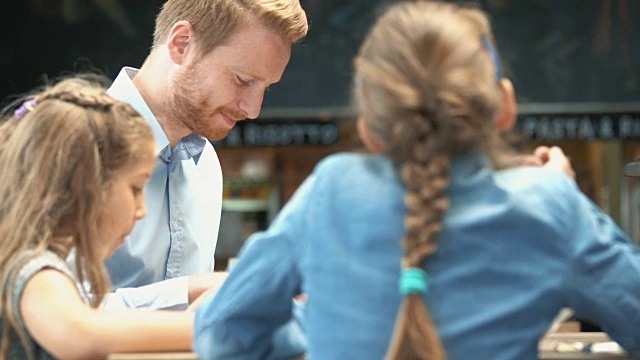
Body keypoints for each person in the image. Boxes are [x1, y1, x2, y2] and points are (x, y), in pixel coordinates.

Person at [192, 1, 640, 359]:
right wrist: (565, 205)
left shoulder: (331, 188)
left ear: (369, 121)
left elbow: (224, 334)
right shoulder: (547, 202)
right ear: (504, 106)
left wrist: (320, 329)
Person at [101, 0, 309, 309]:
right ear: (182, 44)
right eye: (243, 80)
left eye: (266, 88)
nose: (253, 110)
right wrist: (196, 290)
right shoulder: (70, 146)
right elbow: (39, 313)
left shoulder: (206, 164)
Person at [0, 77, 194, 359]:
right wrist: (215, 325)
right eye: (135, 188)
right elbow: (79, 334)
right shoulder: (34, 268)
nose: (142, 211)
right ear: (86, 182)